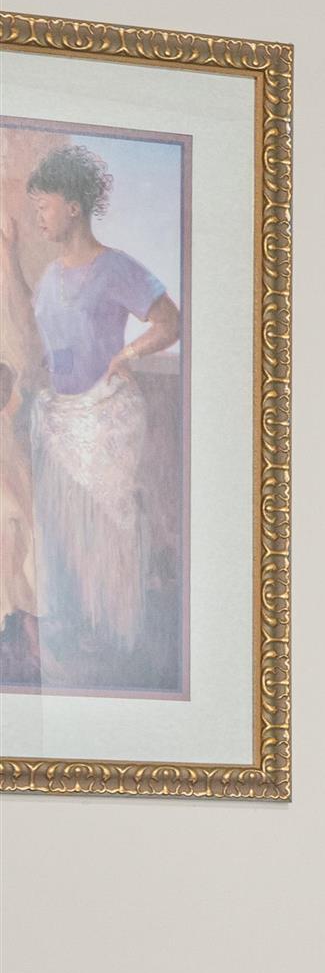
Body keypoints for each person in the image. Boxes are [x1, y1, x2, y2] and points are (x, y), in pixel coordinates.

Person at [13, 140, 181, 689]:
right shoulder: (50, 278)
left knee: (108, 528)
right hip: (57, 418)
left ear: (75, 208)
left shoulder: (117, 268)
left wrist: (127, 355)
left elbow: (168, 322)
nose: (38, 215)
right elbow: (43, 342)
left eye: (45, 204)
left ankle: (118, 637)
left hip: (104, 417)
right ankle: (76, 629)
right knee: (61, 531)